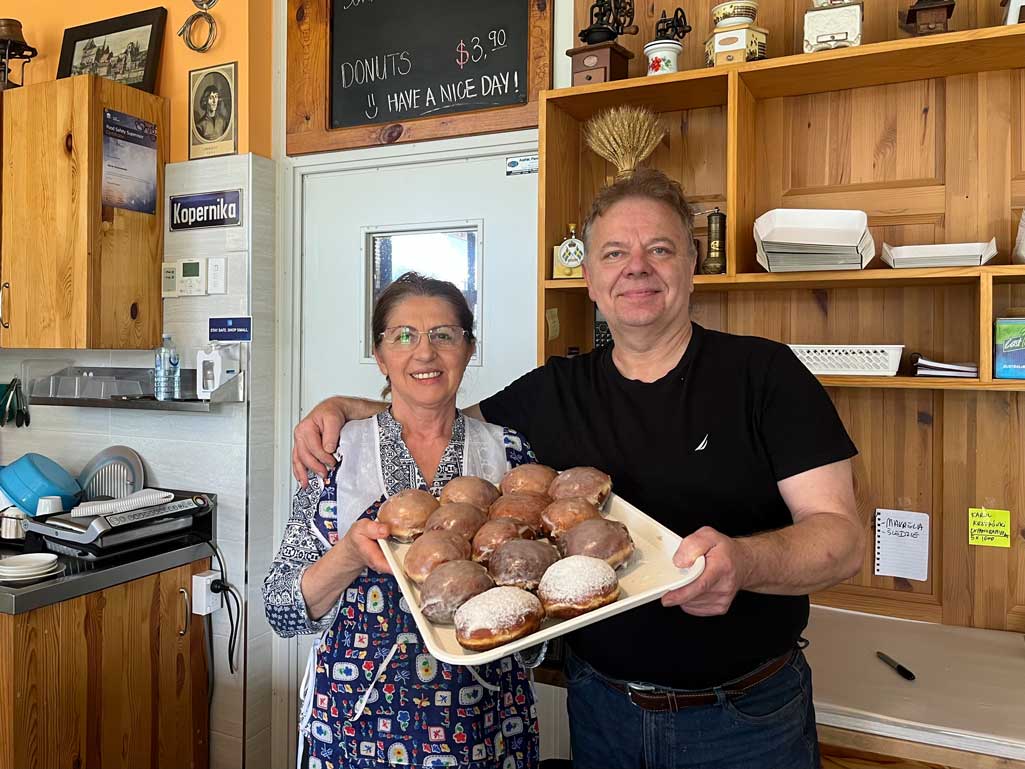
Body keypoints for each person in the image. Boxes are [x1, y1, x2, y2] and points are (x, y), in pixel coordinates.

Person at [292, 170, 865, 769]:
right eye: (614, 253)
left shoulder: (765, 376)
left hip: (746, 720)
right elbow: (436, 413)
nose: (636, 268)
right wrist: (343, 409)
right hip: (602, 714)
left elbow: (842, 540)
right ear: (588, 277)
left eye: (660, 249)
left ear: (692, 264)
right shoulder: (552, 392)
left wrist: (745, 561)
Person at [265, 273, 540, 769]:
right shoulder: (335, 451)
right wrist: (348, 555)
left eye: (443, 335)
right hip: (355, 723)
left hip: (484, 725)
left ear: (468, 347)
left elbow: (539, 596)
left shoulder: (508, 451)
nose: (425, 353)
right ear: (380, 354)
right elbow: (281, 606)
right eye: (404, 336)